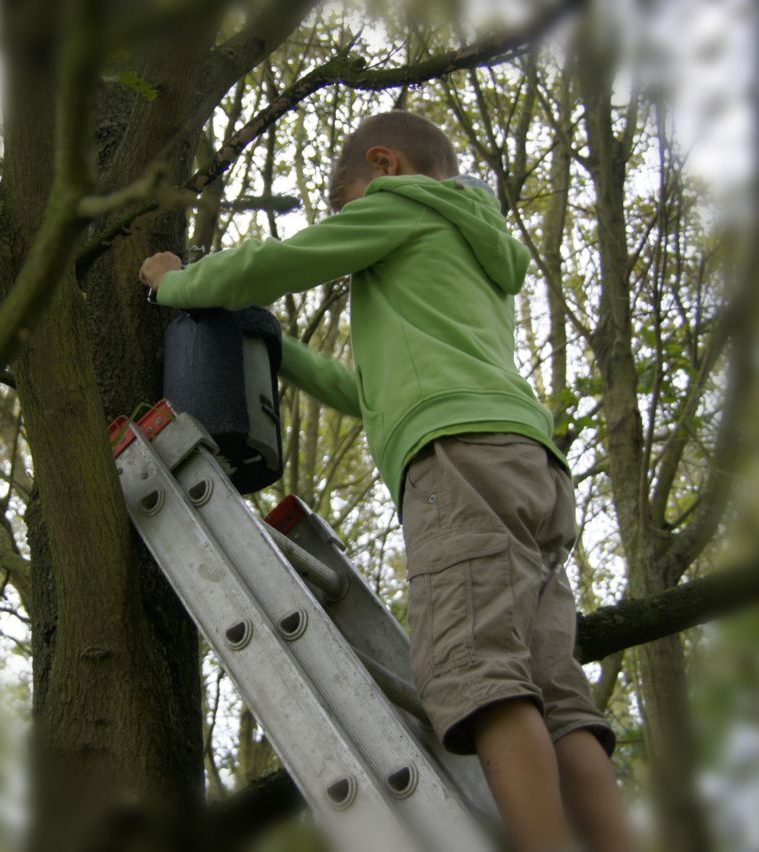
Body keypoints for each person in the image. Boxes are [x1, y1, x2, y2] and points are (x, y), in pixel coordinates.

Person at [138, 111, 633, 852]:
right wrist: (279, 346)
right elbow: (368, 390)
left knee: (480, 672)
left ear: (385, 165)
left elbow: (271, 263)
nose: (351, 221)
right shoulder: (473, 247)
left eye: (348, 203)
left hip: (457, 460)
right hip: (530, 467)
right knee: (557, 693)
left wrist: (177, 284)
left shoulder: (398, 205)